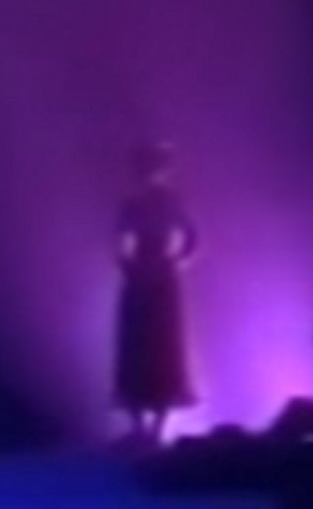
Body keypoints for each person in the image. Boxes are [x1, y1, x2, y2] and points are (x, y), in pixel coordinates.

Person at [114, 142, 198, 447]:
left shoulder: (169, 202)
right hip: (144, 277)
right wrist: (128, 266)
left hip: (158, 278)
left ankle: (155, 431)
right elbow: (119, 239)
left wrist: (174, 262)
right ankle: (141, 429)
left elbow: (192, 238)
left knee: (162, 350)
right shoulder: (134, 203)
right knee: (138, 348)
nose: (148, 173)